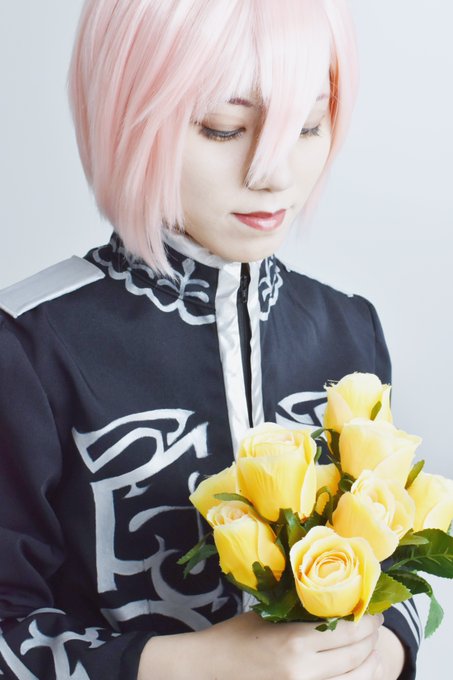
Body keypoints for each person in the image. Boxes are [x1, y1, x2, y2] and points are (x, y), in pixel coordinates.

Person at [0, 1, 421, 678]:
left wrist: (387, 649)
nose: (273, 172)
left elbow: (392, 553)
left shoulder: (349, 328)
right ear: (125, 114)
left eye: (307, 125)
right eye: (224, 129)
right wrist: (197, 663)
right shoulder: (29, 345)